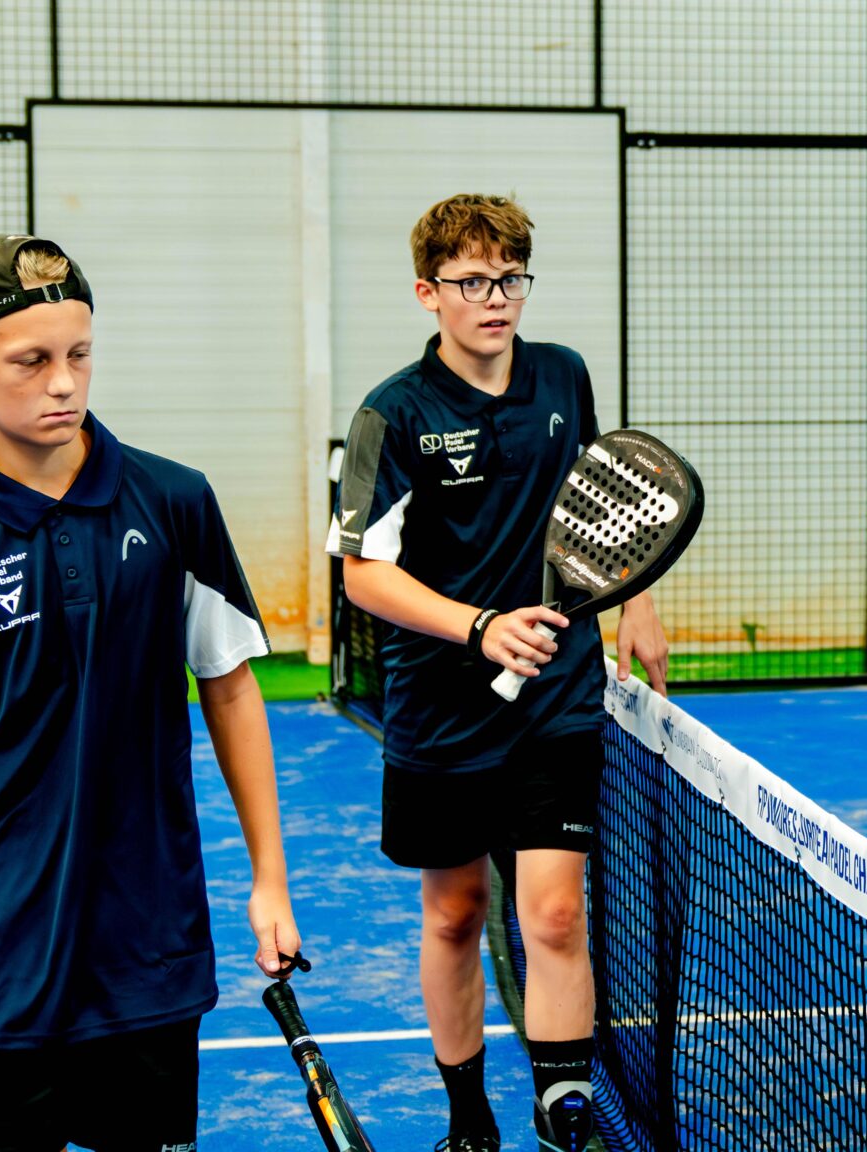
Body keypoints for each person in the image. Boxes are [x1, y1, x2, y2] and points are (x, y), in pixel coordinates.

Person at [0, 233, 302, 1149]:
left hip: (145, 948)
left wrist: (269, 879)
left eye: (79, 354)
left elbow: (231, 692)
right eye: (31, 361)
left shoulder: (175, 503)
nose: (64, 384)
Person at [328, 193, 670, 1152]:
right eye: (473, 282)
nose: (496, 300)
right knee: (455, 914)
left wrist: (636, 600)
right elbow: (362, 575)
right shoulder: (394, 414)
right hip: (439, 709)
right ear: (428, 292)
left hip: (556, 698)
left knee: (554, 914)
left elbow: (607, 496)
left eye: (510, 279)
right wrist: (479, 629)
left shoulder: (563, 375)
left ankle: (565, 1113)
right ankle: (469, 1118)